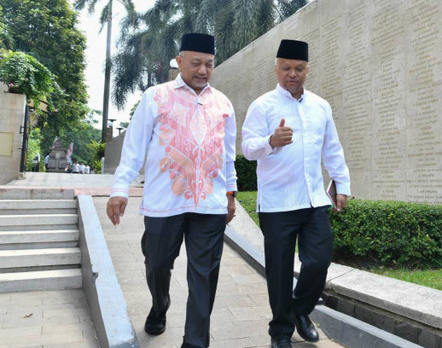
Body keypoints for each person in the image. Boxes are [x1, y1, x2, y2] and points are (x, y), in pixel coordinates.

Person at [106, 33, 237, 348]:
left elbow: (227, 153)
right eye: (196, 63)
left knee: (204, 275)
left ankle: (195, 342)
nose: (203, 70)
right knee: (157, 263)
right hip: (164, 202)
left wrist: (231, 193)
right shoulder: (156, 96)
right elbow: (135, 147)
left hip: (209, 204)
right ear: (179, 62)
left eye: (209, 64)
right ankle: (159, 304)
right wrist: (119, 188)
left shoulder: (223, 103)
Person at [241, 39, 350, 348]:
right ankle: (280, 332)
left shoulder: (320, 106)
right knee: (278, 271)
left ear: (307, 70)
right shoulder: (263, 106)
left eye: (299, 69)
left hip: (314, 200)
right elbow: (248, 148)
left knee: (319, 260)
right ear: (276, 69)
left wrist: (342, 185)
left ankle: (300, 311)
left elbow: (332, 150)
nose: (293, 74)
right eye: (286, 68)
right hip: (277, 204)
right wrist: (270, 141)